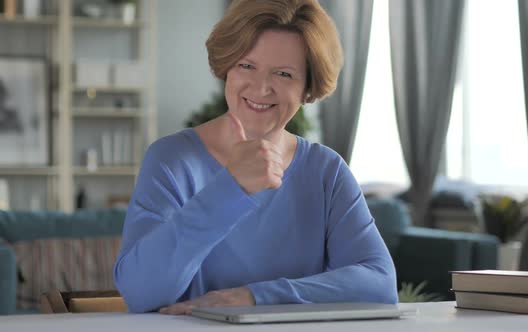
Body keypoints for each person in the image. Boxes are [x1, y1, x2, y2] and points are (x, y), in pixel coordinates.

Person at [113, 0, 398, 314]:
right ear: (227, 68)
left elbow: (380, 284)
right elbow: (140, 292)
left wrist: (257, 296)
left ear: (307, 88)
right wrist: (231, 188)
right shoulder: (171, 161)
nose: (262, 88)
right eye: (247, 66)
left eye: (284, 74)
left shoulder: (326, 171)